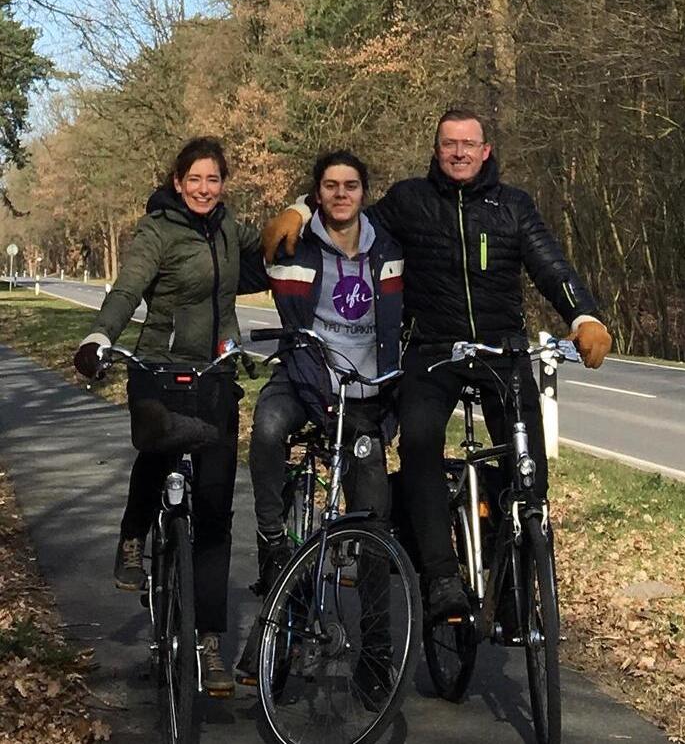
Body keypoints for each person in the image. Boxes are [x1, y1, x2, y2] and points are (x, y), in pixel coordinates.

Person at [263, 107, 612, 621]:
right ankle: (442, 576)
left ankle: (517, 578)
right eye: (449, 143)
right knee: (420, 442)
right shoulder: (410, 201)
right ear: (436, 150)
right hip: (433, 350)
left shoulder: (513, 206)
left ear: (486, 151)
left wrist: (583, 315)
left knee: (526, 464)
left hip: (501, 349)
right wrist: (299, 208)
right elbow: (345, 215)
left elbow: (550, 263)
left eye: (469, 144)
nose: (459, 152)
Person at [73, 136, 265, 696]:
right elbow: (127, 288)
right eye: (195, 179)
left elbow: (278, 243)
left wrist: (303, 211)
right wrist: (99, 334)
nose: (205, 189)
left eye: (214, 179)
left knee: (213, 509)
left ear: (222, 183)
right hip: (158, 368)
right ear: (178, 182)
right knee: (156, 449)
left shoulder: (232, 228)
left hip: (217, 376)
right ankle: (134, 534)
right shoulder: (157, 231)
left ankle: (207, 640)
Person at [235, 149, 403, 697]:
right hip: (303, 379)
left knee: (374, 525)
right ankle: (271, 538)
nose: (340, 194)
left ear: (364, 192)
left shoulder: (392, 249)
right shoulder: (291, 244)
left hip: (364, 395)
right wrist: (291, 211)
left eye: (350, 185)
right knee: (265, 427)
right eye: (328, 186)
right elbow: (217, 266)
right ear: (316, 194)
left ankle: (376, 660)